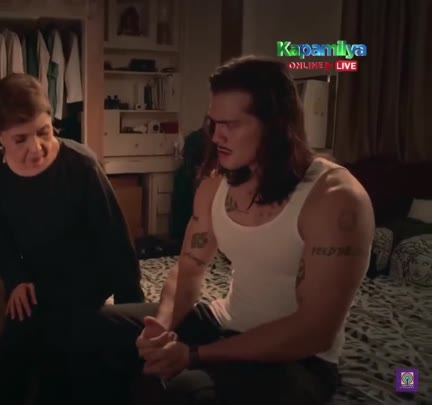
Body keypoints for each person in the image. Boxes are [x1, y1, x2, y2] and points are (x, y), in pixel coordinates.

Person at [100, 56, 375, 404]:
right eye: (213, 123)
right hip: (223, 321)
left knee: (185, 392)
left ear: (276, 125)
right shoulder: (216, 186)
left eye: (231, 124)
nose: (216, 136)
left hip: (298, 358)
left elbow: (315, 331)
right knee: (97, 328)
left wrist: (194, 355)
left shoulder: (335, 199)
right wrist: (162, 325)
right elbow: (189, 268)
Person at [0, 73, 144, 405]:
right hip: (32, 278)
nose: (35, 148)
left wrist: (133, 317)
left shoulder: (81, 166)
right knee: (13, 359)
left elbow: (116, 244)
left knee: (64, 367)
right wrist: (15, 278)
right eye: (20, 139)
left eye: (44, 132)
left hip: (86, 281)